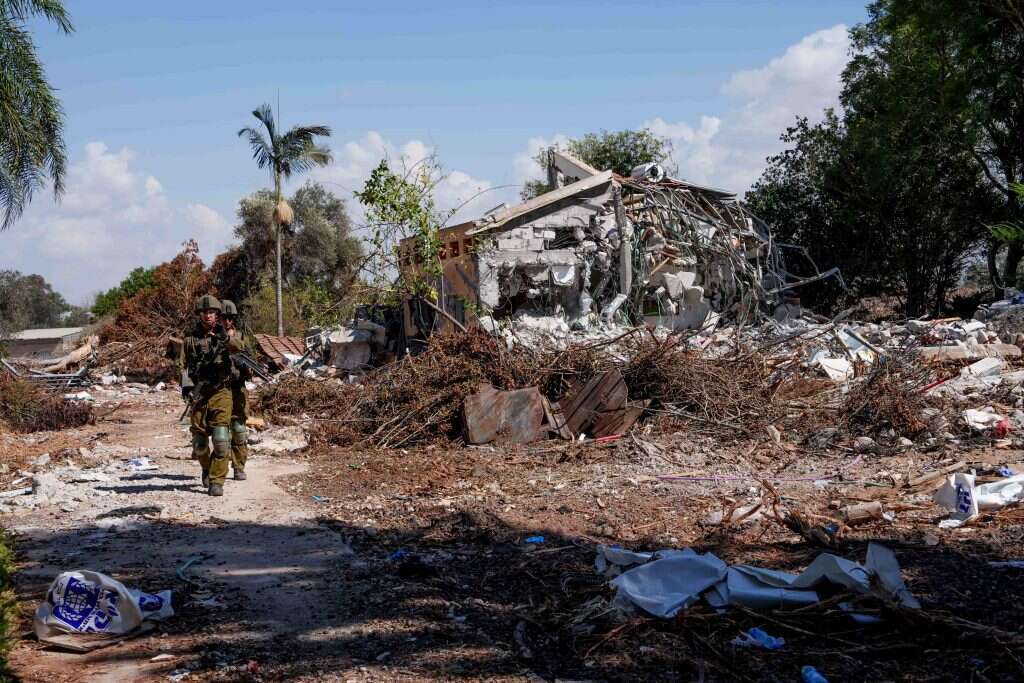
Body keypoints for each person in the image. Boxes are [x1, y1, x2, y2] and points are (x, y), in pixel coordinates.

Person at [181, 295, 235, 496]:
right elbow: (182, 366)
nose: (208, 316)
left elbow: (240, 347)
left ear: (217, 315)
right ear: (199, 315)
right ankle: (206, 467)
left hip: (221, 391)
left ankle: (216, 480)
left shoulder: (225, 335)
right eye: (204, 313)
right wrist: (186, 387)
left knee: (221, 439)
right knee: (199, 444)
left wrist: (226, 339)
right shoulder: (190, 339)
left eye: (211, 312)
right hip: (200, 393)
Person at [219, 299, 250, 481]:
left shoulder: (242, 337)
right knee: (220, 434)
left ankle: (238, 467)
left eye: (230, 318)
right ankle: (216, 470)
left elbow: (252, 361)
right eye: (224, 318)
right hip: (219, 389)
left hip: (238, 388)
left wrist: (246, 369)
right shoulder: (213, 337)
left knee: (238, 429)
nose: (227, 321)